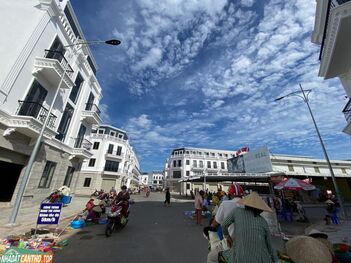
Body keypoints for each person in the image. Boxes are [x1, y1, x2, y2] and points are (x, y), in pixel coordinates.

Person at [221, 192, 278, 263]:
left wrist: (227, 236)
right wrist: (276, 261)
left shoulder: (237, 211)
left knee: (214, 256)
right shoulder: (263, 222)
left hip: (240, 258)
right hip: (263, 259)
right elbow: (270, 246)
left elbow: (223, 225)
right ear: (260, 209)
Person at [207, 183, 244, 263]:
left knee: (211, 257)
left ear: (230, 194)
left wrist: (212, 225)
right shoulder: (246, 205)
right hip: (245, 242)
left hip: (230, 242)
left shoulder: (225, 204)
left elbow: (215, 223)